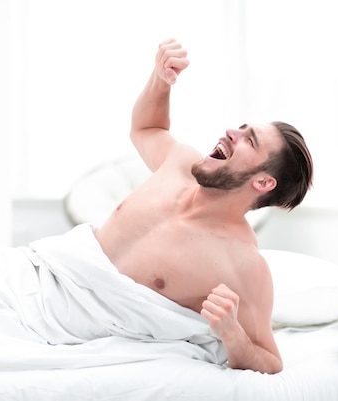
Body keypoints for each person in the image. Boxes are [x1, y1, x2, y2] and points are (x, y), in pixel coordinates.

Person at [95, 39, 314, 374]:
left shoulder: (244, 265)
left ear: (263, 182)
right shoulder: (180, 163)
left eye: (249, 140)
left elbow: (269, 360)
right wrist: (160, 79)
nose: (231, 132)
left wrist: (232, 333)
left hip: (81, 327)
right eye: (241, 128)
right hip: (40, 283)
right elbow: (147, 128)